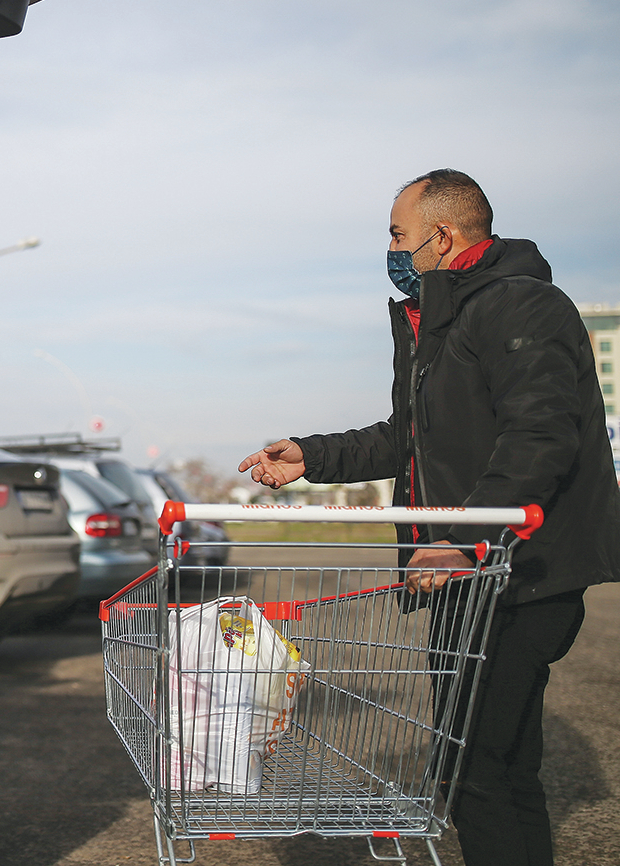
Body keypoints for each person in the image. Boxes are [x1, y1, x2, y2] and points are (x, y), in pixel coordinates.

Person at [237, 169, 620, 866]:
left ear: (442, 237)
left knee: (473, 772)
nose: (390, 248)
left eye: (397, 234)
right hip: (463, 574)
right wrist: (311, 456)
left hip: (512, 574)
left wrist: (460, 541)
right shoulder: (439, 319)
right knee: (497, 769)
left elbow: (540, 437)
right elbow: (409, 434)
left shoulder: (519, 306)